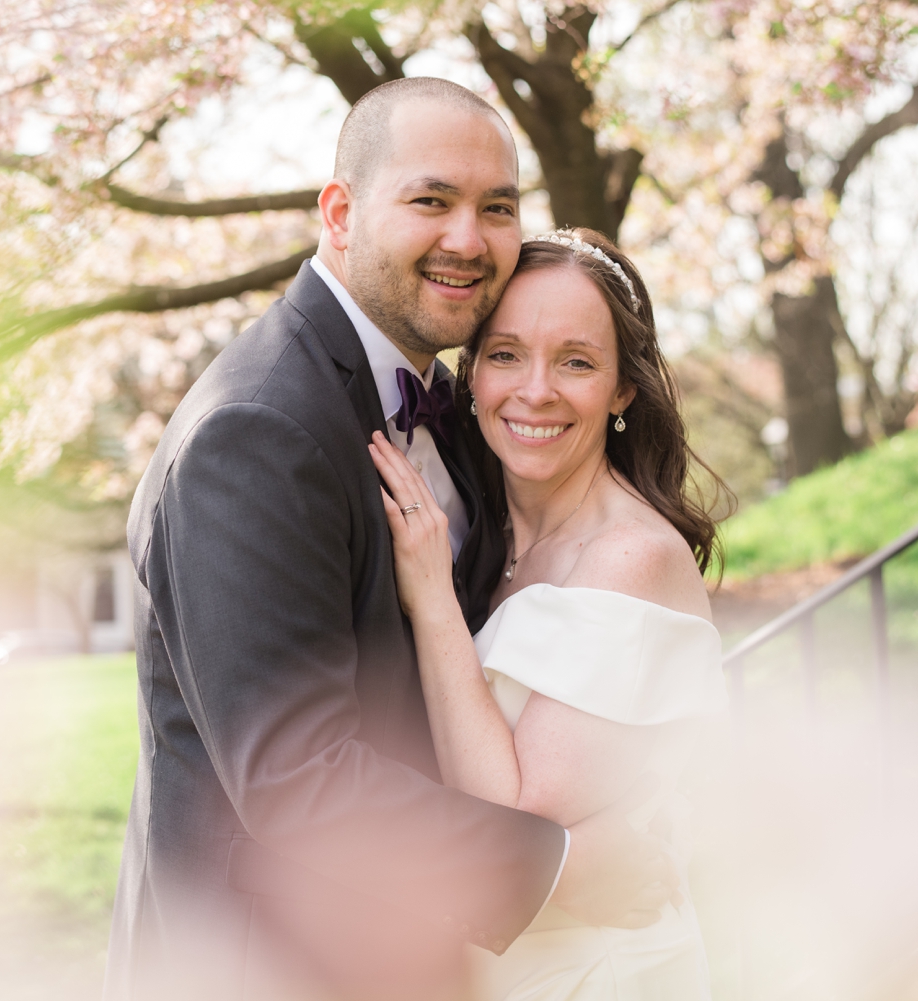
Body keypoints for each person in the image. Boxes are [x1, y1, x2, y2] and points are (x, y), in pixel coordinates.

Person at [106, 77, 680, 1001]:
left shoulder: (450, 411)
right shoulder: (253, 429)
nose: (468, 238)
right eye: (430, 200)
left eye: (497, 207)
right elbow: (296, 776)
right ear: (340, 212)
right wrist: (562, 867)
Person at [368, 227, 728, 998]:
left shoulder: (629, 558)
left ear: (622, 389)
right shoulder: (483, 532)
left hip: (599, 972)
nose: (535, 389)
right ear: (471, 374)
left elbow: (514, 824)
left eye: (576, 361)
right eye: (504, 354)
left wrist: (431, 603)